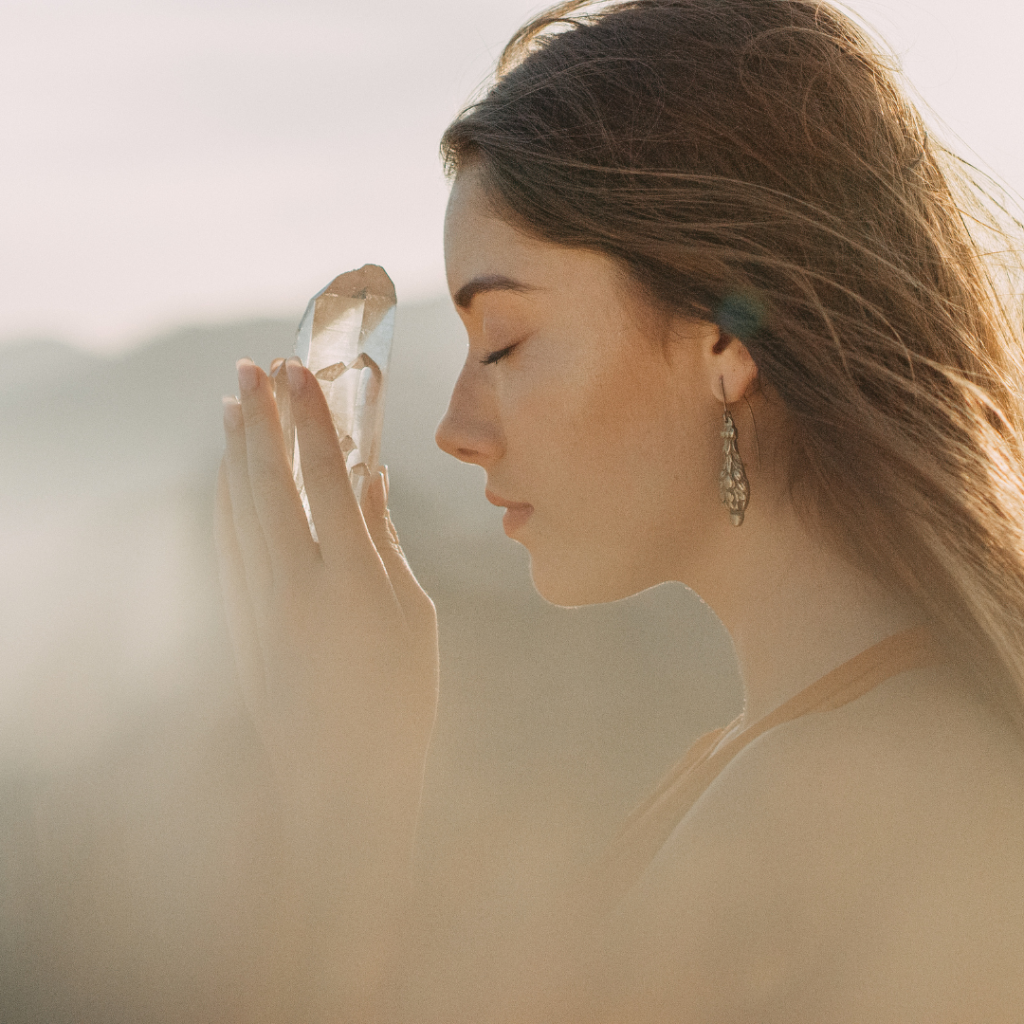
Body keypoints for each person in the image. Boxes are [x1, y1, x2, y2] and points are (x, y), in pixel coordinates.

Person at [216, 0, 1024, 1019]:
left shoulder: (830, 798)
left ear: (725, 335)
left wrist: (351, 803)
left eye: (503, 343)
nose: (457, 428)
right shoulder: (802, 741)